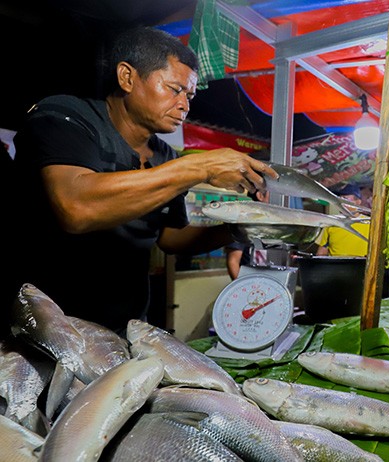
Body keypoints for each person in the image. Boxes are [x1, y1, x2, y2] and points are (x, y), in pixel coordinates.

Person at [7, 26, 277, 336]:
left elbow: (168, 237)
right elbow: (75, 207)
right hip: (44, 326)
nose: (185, 105)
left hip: (123, 327)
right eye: (174, 88)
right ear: (127, 77)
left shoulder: (164, 156)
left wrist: (240, 228)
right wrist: (198, 166)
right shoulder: (67, 118)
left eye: (189, 95)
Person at [225, 190, 270, 279]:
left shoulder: (268, 222)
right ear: (260, 195)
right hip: (249, 282)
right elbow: (233, 261)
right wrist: (241, 287)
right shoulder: (243, 222)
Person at [315, 183, 369, 257]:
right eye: (339, 199)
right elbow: (322, 251)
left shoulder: (369, 223)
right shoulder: (331, 222)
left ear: (358, 202)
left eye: (345, 199)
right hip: (336, 266)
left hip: (361, 266)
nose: (340, 203)